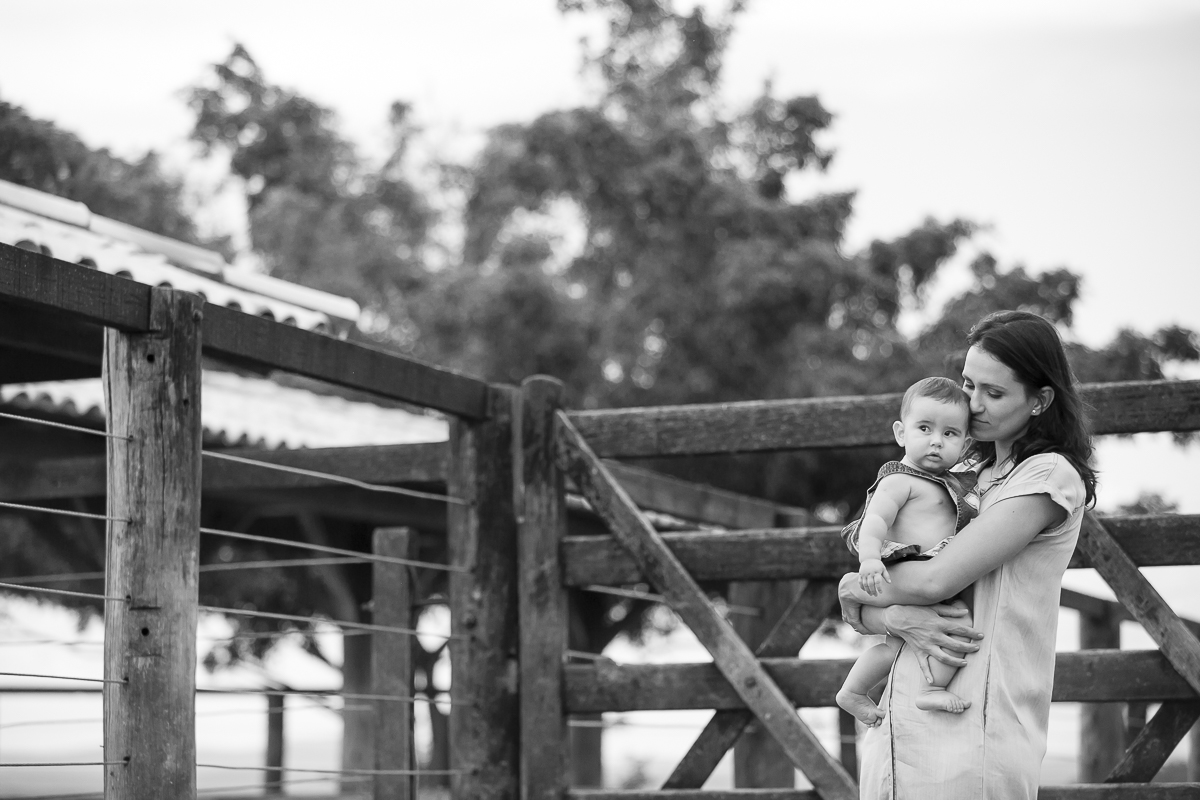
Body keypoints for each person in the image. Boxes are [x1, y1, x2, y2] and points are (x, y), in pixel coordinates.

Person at [838, 310, 1097, 799]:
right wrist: (889, 612)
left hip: (975, 727)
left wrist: (852, 587)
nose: (971, 405)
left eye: (994, 393)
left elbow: (937, 581)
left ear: (1040, 400)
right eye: (968, 384)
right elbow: (891, 610)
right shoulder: (963, 482)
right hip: (898, 716)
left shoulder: (1045, 478)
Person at [835, 376, 977, 728]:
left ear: (965, 442)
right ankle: (931, 689)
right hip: (906, 572)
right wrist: (869, 558)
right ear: (901, 433)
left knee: (893, 647)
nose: (935, 441)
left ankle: (852, 692)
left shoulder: (954, 484)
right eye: (924, 428)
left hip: (931, 578)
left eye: (949, 434)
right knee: (957, 629)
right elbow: (874, 522)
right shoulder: (899, 480)